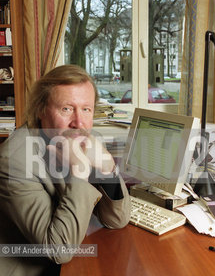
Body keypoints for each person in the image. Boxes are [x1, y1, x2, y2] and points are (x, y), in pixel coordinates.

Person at [0, 65, 131, 276]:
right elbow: (58, 250)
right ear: (41, 110)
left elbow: (117, 219)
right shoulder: (14, 161)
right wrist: (79, 172)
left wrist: (108, 169)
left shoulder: (86, 139)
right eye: (66, 109)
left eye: (86, 109)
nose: (78, 122)